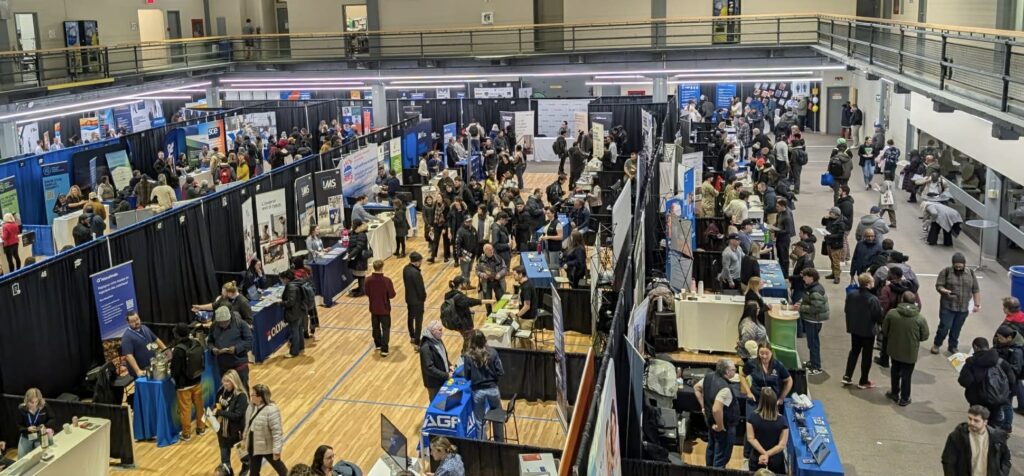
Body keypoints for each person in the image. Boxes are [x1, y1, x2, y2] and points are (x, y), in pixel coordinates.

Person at [883, 291, 930, 406]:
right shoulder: (920, 318)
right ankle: (905, 398)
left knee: (894, 371)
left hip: (894, 349)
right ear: (915, 302)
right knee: (906, 376)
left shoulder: (892, 313)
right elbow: (925, 336)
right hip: (910, 353)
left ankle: (894, 392)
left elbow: (884, 330)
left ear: (902, 300)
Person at [941, 405, 1012, 476]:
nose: (971, 423)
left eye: (976, 420)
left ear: (985, 422)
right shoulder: (957, 436)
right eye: (970, 419)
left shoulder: (997, 437)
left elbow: (1006, 458)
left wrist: (1002, 473)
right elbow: (948, 461)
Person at [959, 337, 1014, 426]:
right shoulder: (1001, 362)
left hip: (977, 401)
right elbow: (1012, 380)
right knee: (993, 425)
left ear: (975, 347)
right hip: (996, 401)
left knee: (976, 424)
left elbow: (965, 381)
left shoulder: (971, 363)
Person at [695, 359, 739, 468]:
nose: (735, 370)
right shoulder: (724, 389)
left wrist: (703, 407)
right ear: (727, 372)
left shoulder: (709, 376)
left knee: (711, 447)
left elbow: (696, 388)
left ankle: (709, 470)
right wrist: (720, 426)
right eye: (734, 369)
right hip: (724, 426)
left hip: (710, 422)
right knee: (721, 456)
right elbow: (716, 409)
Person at [933, 252, 981, 354]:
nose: (958, 268)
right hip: (948, 306)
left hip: (963, 308)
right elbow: (939, 285)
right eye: (956, 266)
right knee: (944, 327)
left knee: (956, 329)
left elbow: (975, 289)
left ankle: (953, 346)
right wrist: (943, 290)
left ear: (964, 264)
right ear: (953, 264)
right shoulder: (946, 272)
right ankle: (937, 344)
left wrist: (977, 304)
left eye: (960, 266)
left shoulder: (970, 273)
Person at [463, 330, 505, 441]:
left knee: (479, 420)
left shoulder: (468, 356)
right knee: (497, 418)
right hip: (493, 389)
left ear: (471, 341)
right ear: (484, 339)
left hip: (478, 392)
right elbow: (500, 371)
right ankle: (500, 442)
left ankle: (483, 445)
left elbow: (467, 377)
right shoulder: (493, 352)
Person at [843, 273, 883, 388]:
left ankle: (847, 376)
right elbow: (878, 316)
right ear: (868, 284)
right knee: (866, 355)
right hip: (868, 331)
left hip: (854, 329)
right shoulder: (873, 299)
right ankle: (863, 380)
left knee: (854, 351)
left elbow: (847, 310)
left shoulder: (851, 295)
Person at [170, 323, 206, 440]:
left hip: (184, 385)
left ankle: (186, 433)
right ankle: (201, 428)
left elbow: (175, 371)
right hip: (197, 380)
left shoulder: (178, 350)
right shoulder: (196, 343)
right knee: (199, 406)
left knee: (185, 410)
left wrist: (174, 379)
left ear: (177, 335)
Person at [242, 384, 287, 476]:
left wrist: (277, 450)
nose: (251, 396)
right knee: (254, 473)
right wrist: (244, 438)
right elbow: (248, 424)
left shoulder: (271, 410)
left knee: (282, 471)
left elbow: (277, 432)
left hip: (267, 447)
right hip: (254, 446)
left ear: (260, 397)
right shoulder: (253, 407)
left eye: (253, 394)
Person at [208, 307, 254, 390]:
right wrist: (213, 349)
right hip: (223, 366)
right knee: (227, 390)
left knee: (242, 388)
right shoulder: (214, 326)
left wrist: (236, 348)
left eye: (225, 322)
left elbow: (249, 340)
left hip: (239, 364)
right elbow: (210, 342)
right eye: (220, 323)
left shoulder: (241, 324)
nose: (222, 324)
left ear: (229, 318)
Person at [745, 388, 789, 473]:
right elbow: (782, 445)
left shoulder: (752, 417)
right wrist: (767, 454)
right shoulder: (782, 421)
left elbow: (751, 438)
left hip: (757, 457)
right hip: (775, 459)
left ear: (761, 401)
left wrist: (764, 454)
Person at [214, 370, 248, 474]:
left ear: (234, 381)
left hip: (237, 433)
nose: (225, 383)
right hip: (223, 431)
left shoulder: (241, 396)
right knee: (225, 463)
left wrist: (220, 412)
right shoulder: (221, 391)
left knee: (245, 460)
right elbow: (217, 404)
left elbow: (236, 416)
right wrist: (213, 414)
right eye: (224, 381)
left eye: (228, 381)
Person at [797, 268, 829, 375]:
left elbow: (815, 308)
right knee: (812, 343)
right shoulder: (811, 287)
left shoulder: (815, 291)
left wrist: (801, 308)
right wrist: (800, 303)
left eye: (805, 277)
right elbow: (808, 300)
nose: (804, 279)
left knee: (813, 343)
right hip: (811, 319)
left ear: (811, 277)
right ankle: (812, 362)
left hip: (814, 320)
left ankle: (816, 367)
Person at [992, 325, 1024, 430]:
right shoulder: (1003, 344)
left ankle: (1007, 424)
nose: (998, 340)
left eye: (1001, 338)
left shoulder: (1016, 352)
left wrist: (1002, 364)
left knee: (1006, 403)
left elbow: (1016, 369)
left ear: (1009, 338)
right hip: (1001, 379)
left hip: (1010, 382)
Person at [364, 260, 396, 357]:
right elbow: (392, 295)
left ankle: (378, 344)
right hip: (384, 308)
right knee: (385, 329)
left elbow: (366, 292)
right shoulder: (387, 280)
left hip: (373, 308)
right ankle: (384, 349)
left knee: (375, 327)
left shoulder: (368, 280)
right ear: (382, 267)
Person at [121, 311, 164, 378]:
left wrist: (166, 350)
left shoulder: (145, 328)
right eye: (133, 321)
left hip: (152, 364)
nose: (136, 322)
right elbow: (128, 356)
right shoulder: (127, 337)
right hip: (142, 370)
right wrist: (138, 370)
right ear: (128, 323)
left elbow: (156, 339)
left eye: (137, 319)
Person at [420, 320, 452, 402]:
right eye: (440, 330)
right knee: (437, 404)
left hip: (442, 379)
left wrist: (449, 365)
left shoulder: (438, 340)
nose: (442, 332)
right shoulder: (426, 348)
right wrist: (446, 375)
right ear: (433, 331)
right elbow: (429, 368)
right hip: (434, 384)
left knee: (444, 402)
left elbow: (443, 356)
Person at [17, 388, 53, 457]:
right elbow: (18, 426)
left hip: (40, 435)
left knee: (43, 455)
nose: (34, 405)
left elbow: (52, 418)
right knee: (22, 458)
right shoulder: (21, 408)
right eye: (31, 402)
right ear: (27, 400)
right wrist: (27, 429)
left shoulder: (44, 406)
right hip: (26, 436)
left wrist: (45, 426)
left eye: (36, 401)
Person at [404, 252, 427, 348]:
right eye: (420, 261)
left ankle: (412, 336)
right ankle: (417, 341)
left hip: (409, 298)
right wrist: (423, 298)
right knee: (418, 322)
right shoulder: (416, 273)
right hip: (417, 301)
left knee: (410, 318)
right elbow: (420, 288)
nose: (421, 263)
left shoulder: (405, 269)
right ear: (416, 262)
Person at [476, 243, 507, 314]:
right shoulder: (480, 260)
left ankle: (501, 313)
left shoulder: (499, 258)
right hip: (486, 283)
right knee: (488, 301)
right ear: (485, 251)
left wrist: (499, 274)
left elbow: (504, 268)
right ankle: (489, 314)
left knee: (501, 299)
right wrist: (482, 275)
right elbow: (477, 271)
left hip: (498, 282)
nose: (491, 251)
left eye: (492, 249)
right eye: (489, 250)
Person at [821, 206, 846, 284]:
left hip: (836, 245)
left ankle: (837, 276)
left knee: (836, 261)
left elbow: (840, 235)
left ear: (836, 214)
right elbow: (823, 223)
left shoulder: (841, 223)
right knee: (831, 259)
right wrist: (824, 218)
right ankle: (833, 273)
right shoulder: (830, 219)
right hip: (829, 243)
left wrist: (829, 236)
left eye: (831, 212)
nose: (829, 213)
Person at [347, 219, 370, 297]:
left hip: (360, 258)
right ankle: (360, 287)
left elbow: (358, 247)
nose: (351, 225)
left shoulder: (361, 234)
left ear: (356, 225)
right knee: (358, 274)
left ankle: (362, 291)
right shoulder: (354, 232)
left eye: (353, 224)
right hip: (356, 257)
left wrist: (350, 255)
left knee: (361, 274)